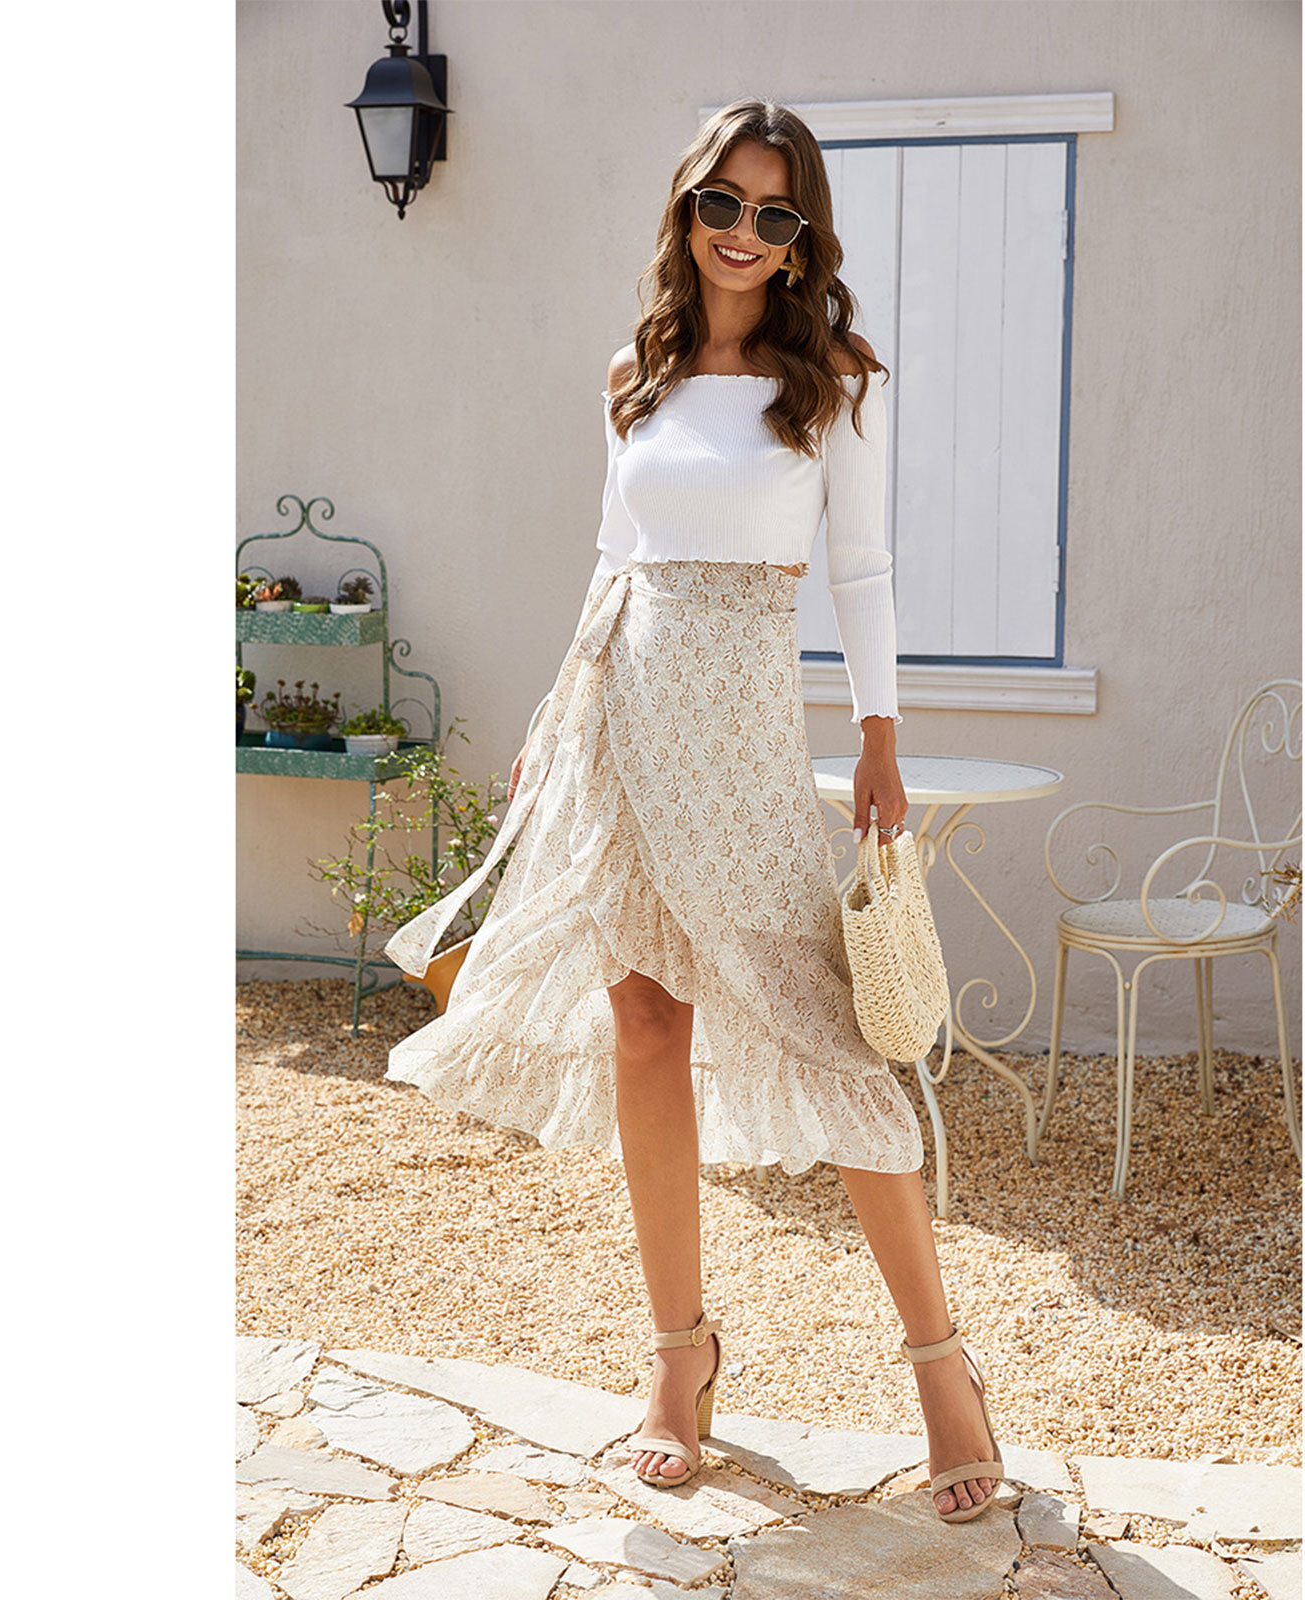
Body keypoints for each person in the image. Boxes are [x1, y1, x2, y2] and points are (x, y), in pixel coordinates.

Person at [385, 98, 1003, 1523]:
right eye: (723, 203)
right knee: (646, 1027)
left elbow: (863, 571)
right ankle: (681, 1360)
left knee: (829, 1035)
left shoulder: (834, 379)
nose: (742, 232)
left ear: (801, 239)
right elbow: (614, 556)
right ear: (688, 209)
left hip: (740, 730)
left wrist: (881, 737)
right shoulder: (636, 371)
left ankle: (942, 1373)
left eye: (774, 214)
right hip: (620, 714)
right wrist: (554, 725)